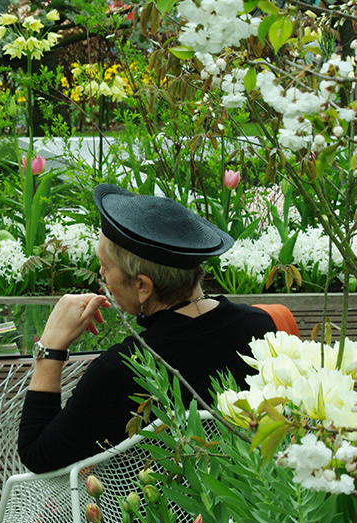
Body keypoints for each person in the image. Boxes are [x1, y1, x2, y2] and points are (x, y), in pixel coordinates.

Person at [18, 184, 278, 474]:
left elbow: (36, 455)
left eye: (106, 267)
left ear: (143, 286)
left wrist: (50, 349)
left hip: (148, 515)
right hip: (249, 510)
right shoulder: (260, 327)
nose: (102, 275)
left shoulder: (123, 370)